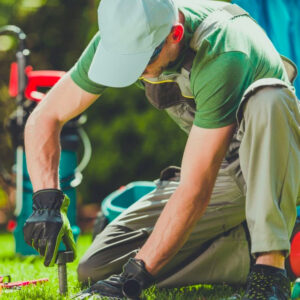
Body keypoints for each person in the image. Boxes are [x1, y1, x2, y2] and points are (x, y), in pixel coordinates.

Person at [22, 0, 300, 299]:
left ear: (175, 34)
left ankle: (269, 269)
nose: (137, 73)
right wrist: (46, 201)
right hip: (222, 173)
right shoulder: (122, 33)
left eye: (142, 61)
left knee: (269, 98)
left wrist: (136, 276)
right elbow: (45, 117)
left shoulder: (223, 49)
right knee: (98, 267)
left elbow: (196, 188)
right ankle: (278, 247)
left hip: (275, 164)